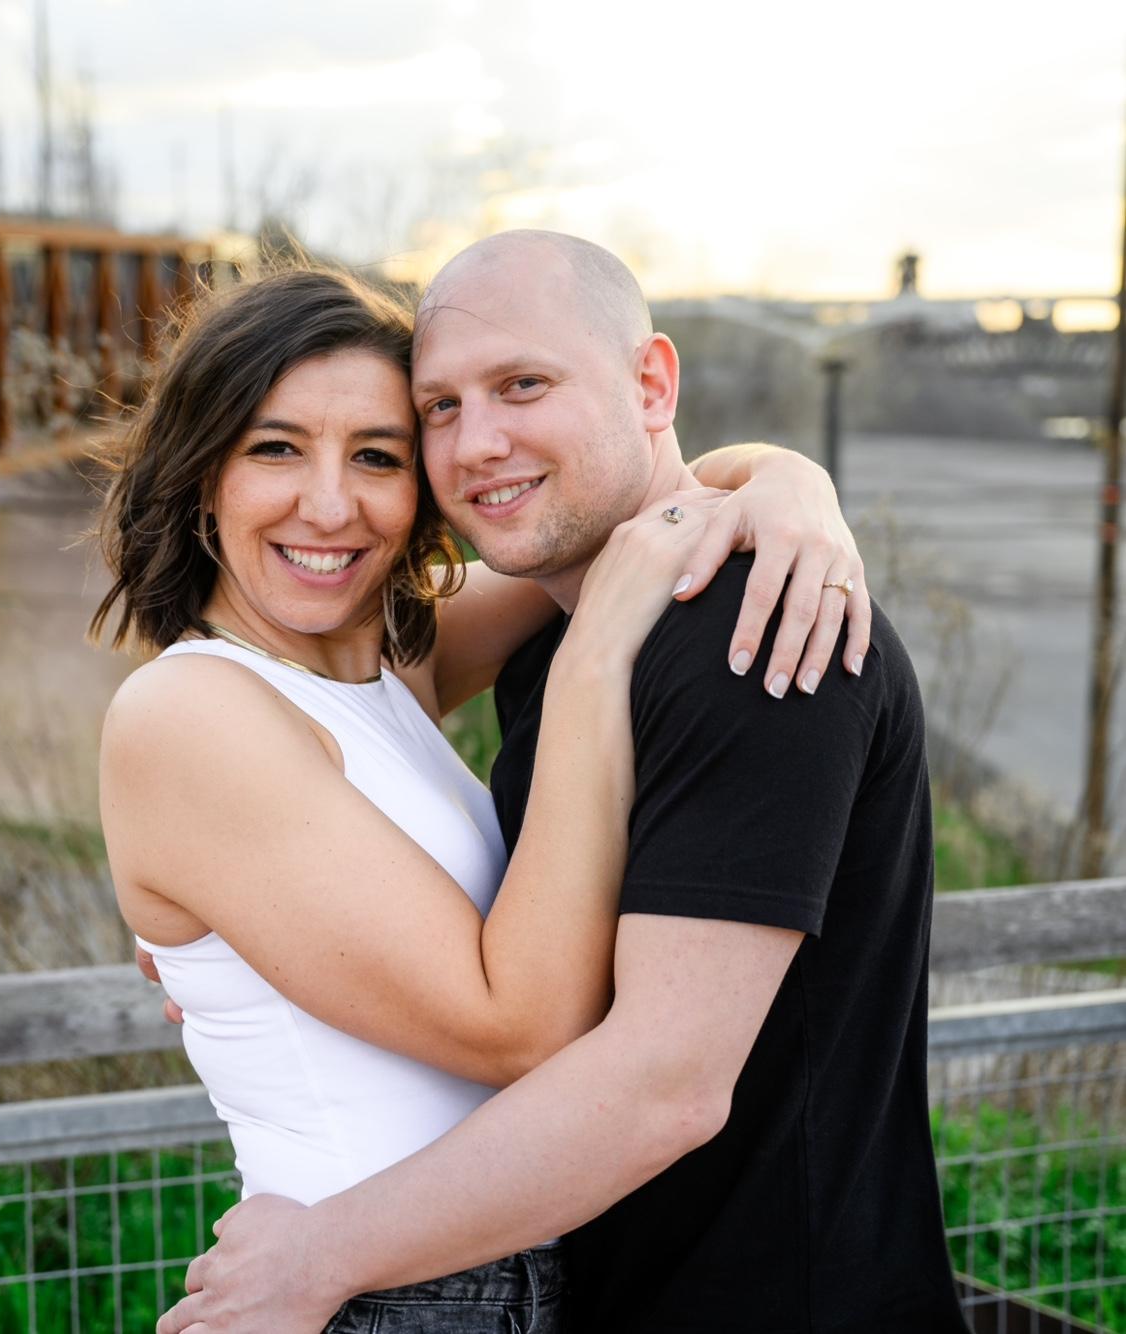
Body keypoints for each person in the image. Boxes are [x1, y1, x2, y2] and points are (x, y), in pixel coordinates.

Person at [159, 232, 970, 1334]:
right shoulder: (558, 629)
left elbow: (663, 1084)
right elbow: (250, 711)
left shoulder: (759, 632)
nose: (477, 442)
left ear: (651, 384)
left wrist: (318, 1257)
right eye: (439, 408)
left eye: (523, 385)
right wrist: (223, 921)